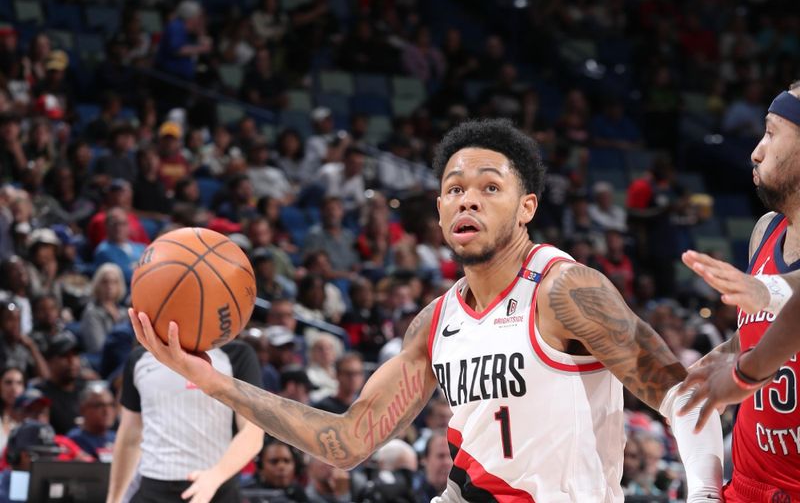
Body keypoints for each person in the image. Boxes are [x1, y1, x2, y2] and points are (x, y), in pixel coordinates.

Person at [129, 118, 723, 502]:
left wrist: (704, 494)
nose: (468, 197)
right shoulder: (436, 322)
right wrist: (210, 381)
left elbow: (685, 398)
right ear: (439, 211)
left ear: (526, 208)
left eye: (490, 186)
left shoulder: (564, 289)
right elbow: (347, 442)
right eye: (454, 188)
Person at [674, 86, 800, 501]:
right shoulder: (767, 231)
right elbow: (754, 337)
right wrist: (711, 366)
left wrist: (768, 290)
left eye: (770, 132)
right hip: (746, 486)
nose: (755, 152)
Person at [106, 338, 264, 503]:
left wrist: (216, 476)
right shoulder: (139, 358)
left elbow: (253, 432)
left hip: (217, 488)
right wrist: (114, 498)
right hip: (153, 487)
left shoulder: (237, 354)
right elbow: (129, 437)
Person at [0, 421, 61, 503]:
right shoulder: (3, 489)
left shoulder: (54, 486)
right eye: (43, 456)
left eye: (52, 455)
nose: (50, 461)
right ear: (21, 456)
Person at [65, 381, 116, 461]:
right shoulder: (73, 440)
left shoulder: (116, 438)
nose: (107, 411)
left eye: (111, 405)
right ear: (83, 409)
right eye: (99, 405)